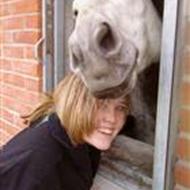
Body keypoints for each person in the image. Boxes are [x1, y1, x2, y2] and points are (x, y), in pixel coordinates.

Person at [0, 73, 130, 190]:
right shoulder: (38, 166)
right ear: (74, 105)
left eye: (120, 107)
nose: (112, 118)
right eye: (101, 105)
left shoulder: (80, 136)